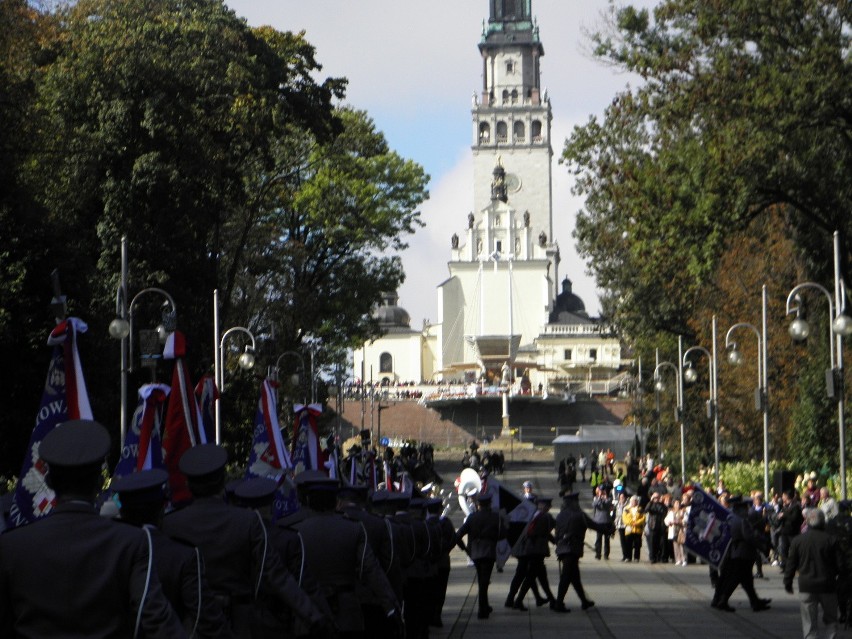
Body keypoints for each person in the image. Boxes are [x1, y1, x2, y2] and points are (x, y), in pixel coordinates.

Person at [0, 420, 187, 638]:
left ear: (49, 481)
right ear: (100, 482)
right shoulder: (132, 542)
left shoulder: (11, 546)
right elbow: (156, 621)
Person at [162, 444, 326, 637]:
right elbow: (277, 575)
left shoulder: (169, 524)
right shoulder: (247, 521)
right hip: (240, 625)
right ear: (223, 482)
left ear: (188, 485)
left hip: (191, 626)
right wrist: (314, 617)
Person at [111, 468, 232, 638]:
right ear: (161, 511)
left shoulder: (107, 551)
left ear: (123, 512)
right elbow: (204, 617)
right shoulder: (182, 556)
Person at [785, 508, 842, 639]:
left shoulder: (797, 541)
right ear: (823, 523)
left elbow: (791, 564)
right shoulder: (831, 540)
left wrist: (788, 582)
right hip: (827, 585)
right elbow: (840, 565)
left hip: (806, 585)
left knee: (809, 623)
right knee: (831, 620)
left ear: (807, 521)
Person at [711, 497, 772, 613]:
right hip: (742, 553)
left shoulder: (730, 518)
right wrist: (762, 545)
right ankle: (722, 600)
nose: (747, 511)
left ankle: (755, 602)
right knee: (736, 578)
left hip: (734, 552)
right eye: (745, 508)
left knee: (746, 580)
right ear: (740, 509)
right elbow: (749, 537)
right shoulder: (741, 520)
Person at [552, 491, 607, 613]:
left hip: (562, 548)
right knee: (566, 577)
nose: (578, 503)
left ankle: (584, 601)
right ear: (573, 503)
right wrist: (607, 529)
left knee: (574, 577)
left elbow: (556, 532)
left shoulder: (560, 515)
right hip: (572, 549)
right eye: (576, 501)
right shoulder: (579, 515)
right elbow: (594, 525)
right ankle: (558, 603)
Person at [454, 491, 506, 619]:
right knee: (484, 581)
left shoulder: (472, 517)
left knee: (482, 580)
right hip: (489, 551)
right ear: (489, 504)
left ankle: (485, 605)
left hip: (475, 552)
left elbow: (458, 535)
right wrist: (493, 538)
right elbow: (503, 534)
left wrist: (465, 549)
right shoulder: (495, 517)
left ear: (478, 504)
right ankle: (482, 609)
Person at [512, 497, 556, 610]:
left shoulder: (532, 515)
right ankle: (519, 600)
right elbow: (553, 527)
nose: (549, 508)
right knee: (531, 577)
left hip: (530, 550)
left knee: (541, 576)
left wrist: (555, 541)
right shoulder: (545, 517)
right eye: (548, 506)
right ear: (544, 506)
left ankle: (551, 599)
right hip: (538, 550)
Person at [592, 486, 614, 560]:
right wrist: (599, 498)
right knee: (598, 539)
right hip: (599, 522)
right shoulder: (596, 498)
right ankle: (598, 554)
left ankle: (606, 554)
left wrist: (604, 498)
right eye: (600, 491)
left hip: (607, 521)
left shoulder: (609, 498)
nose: (601, 493)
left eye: (602, 491)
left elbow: (607, 504)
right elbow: (595, 505)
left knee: (607, 539)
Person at [622, 495, 645, 562]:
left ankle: (636, 558)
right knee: (628, 544)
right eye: (632, 501)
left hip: (638, 529)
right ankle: (628, 557)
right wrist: (631, 523)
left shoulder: (640, 509)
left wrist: (637, 523)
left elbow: (643, 518)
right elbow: (624, 518)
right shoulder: (626, 509)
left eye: (635, 501)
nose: (634, 502)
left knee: (637, 544)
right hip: (629, 529)